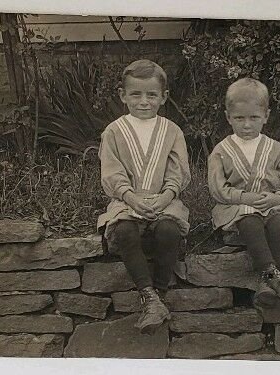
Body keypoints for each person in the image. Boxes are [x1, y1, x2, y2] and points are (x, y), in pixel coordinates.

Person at [97, 59, 191, 334]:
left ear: (163, 97)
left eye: (151, 95)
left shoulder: (171, 131)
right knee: (124, 231)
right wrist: (131, 197)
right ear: (123, 95)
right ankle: (149, 295)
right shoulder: (114, 131)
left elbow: (178, 170)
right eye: (136, 94)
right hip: (127, 200)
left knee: (168, 231)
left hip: (165, 200)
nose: (144, 102)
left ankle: (158, 295)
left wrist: (167, 196)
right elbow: (112, 172)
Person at [208, 78, 280, 308]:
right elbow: (218, 189)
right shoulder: (221, 151)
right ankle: (273, 276)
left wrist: (277, 197)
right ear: (229, 117)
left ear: (266, 116)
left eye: (254, 118)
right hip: (237, 207)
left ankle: (266, 284)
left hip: (271, 204)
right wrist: (245, 198)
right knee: (249, 221)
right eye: (239, 118)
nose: (247, 125)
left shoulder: (276, 148)